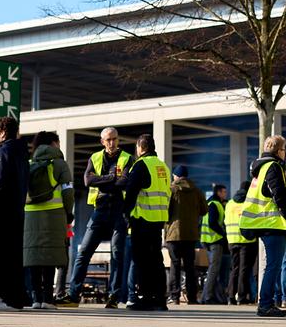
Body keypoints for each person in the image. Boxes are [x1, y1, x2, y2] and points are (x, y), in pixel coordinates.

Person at [63, 127, 133, 307]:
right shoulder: (94, 157)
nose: (111, 143)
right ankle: (73, 295)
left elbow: (124, 182)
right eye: (108, 140)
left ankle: (114, 297)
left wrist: (101, 179)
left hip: (119, 210)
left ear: (118, 140)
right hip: (100, 209)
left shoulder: (127, 158)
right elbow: (87, 181)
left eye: (114, 139)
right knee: (83, 253)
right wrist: (111, 178)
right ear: (102, 141)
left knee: (117, 254)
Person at [240, 135, 286, 317]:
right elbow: (280, 197)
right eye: (284, 149)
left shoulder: (260, 168)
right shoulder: (274, 167)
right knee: (274, 265)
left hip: (260, 223)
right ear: (279, 151)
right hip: (272, 223)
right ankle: (265, 304)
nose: (285, 153)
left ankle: (266, 303)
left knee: (270, 266)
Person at [118, 133, 172, 310]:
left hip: (142, 219)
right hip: (159, 220)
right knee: (156, 260)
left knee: (141, 261)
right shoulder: (163, 166)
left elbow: (131, 192)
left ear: (140, 148)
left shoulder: (140, 165)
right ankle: (160, 299)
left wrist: (125, 214)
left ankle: (145, 298)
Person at [0, 115, 31, 309]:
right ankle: (17, 298)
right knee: (14, 256)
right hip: (16, 209)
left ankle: (5, 298)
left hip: (1, 210)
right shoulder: (21, 152)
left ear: (2, 132)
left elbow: (0, 180)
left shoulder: (4, 150)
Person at [24, 129, 70, 308]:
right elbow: (68, 192)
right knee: (50, 256)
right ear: (52, 144)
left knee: (33, 255)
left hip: (30, 214)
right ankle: (47, 299)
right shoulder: (60, 164)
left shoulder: (28, 163)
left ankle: (36, 299)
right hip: (54, 214)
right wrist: (69, 211)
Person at [165, 165, 205, 304]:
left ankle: (174, 297)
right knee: (190, 266)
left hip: (174, 234)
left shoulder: (171, 189)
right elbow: (204, 210)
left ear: (175, 176)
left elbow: (166, 211)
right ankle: (192, 298)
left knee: (175, 265)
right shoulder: (196, 190)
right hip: (191, 234)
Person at [200, 183, 231, 304]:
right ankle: (207, 297)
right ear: (218, 192)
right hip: (214, 241)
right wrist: (223, 234)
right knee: (213, 270)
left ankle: (213, 296)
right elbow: (213, 223)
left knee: (214, 270)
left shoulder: (208, 203)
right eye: (224, 192)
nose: (225, 194)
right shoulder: (215, 204)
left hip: (206, 240)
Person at [227, 182, 256, 304]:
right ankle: (242, 297)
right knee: (244, 270)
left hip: (232, 240)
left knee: (234, 269)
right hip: (246, 240)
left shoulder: (229, 204)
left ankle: (230, 297)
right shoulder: (248, 202)